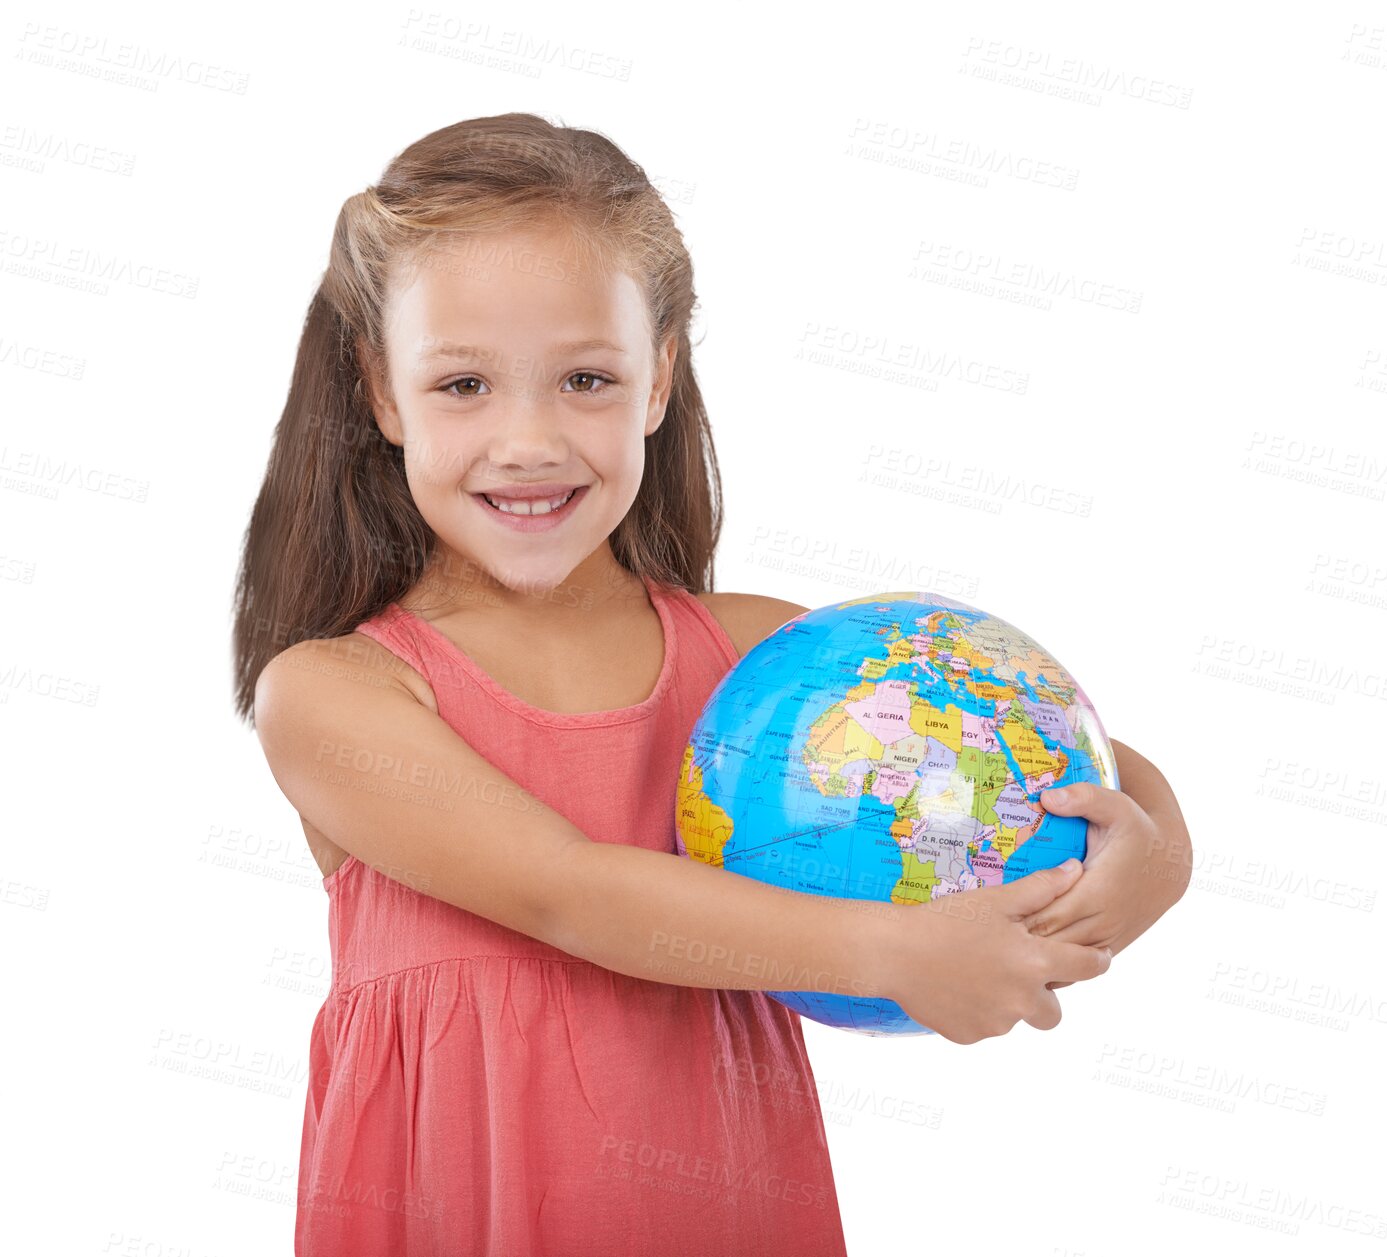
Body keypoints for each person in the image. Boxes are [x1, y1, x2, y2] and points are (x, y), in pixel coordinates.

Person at [233, 112, 1192, 1256]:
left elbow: (1074, 757)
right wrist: (891, 954)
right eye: (463, 385)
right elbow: (567, 891)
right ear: (382, 397)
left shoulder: (757, 664)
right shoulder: (338, 695)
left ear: (658, 381)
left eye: (585, 377)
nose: (528, 440)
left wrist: (1149, 864)